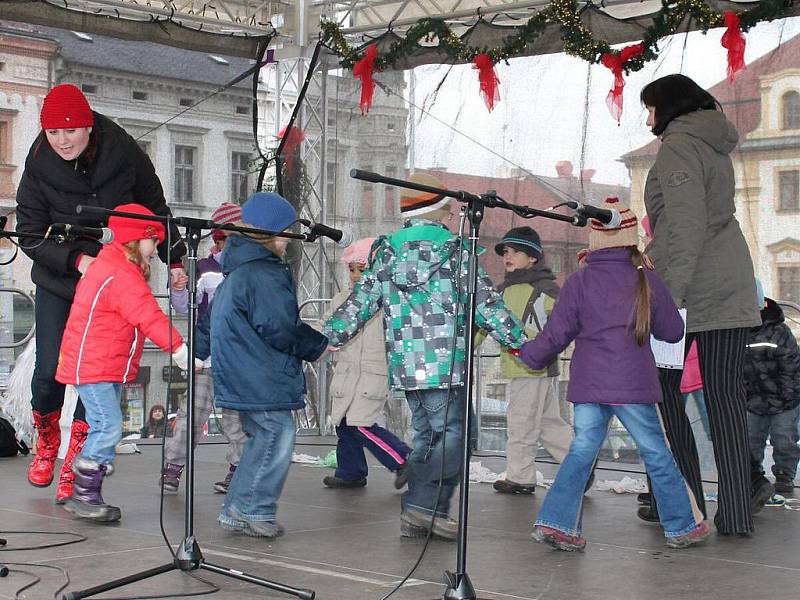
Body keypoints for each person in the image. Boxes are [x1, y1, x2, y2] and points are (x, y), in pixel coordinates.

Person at [323, 174, 526, 540]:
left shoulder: (385, 252)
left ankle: (420, 510)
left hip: (406, 367)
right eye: (449, 209)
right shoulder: (455, 252)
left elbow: (361, 302)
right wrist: (519, 341)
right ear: (441, 210)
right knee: (449, 439)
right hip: (445, 365)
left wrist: (330, 335)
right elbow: (485, 304)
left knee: (428, 437)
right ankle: (423, 508)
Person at [16, 83, 185, 503]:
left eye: (70, 131)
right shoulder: (38, 163)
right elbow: (30, 233)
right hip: (63, 278)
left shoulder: (123, 150)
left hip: (112, 281)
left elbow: (154, 206)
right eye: (53, 133)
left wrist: (175, 256)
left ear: (88, 126)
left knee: (101, 374)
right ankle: (47, 438)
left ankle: (77, 461)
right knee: (49, 370)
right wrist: (77, 260)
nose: (62, 141)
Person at [520, 197, 709, 552]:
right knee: (656, 453)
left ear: (595, 239)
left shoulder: (578, 282)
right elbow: (671, 332)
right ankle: (682, 526)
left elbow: (556, 335)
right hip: (632, 385)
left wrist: (530, 354)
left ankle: (558, 524)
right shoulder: (646, 280)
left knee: (581, 452)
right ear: (629, 238)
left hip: (589, 384)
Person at [640, 74, 763, 535]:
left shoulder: (678, 146)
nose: (647, 117)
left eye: (650, 106)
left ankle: (684, 506)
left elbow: (685, 225)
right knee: (727, 401)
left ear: (669, 106)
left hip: (693, 287)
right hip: (730, 279)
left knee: (666, 397)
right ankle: (736, 513)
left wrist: (671, 295)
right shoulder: (714, 139)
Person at [55, 204, 197, 522]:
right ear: (136, 238)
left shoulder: (116, 267)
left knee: (104, 425)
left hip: (101, 363)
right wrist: (178, 349)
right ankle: (84, 491)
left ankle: (88, 490)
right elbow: (147, 314)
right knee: (108, 426)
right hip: (94, 364)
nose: (156, 248)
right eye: (154, 241)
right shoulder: (119, 273)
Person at [212, 192, 332, 539]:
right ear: (273, 233)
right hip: (260, 374)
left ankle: (237, 509)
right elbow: (278, 326)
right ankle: (255, 508)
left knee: (260, 440)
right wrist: (317, 345)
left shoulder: (238, 269)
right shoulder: (264, 272)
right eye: (286, 233)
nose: (288, 241)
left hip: (243, 372)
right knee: (277, 436)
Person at [162, 202, 247, 494]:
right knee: (191, 415)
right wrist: (178, 288)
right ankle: (173, 467)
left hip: (237, 358)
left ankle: (238, 469)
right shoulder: (204, 267)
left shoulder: (248, 268)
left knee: (235, 420)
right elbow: (185, 305)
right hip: (206, 356)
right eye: (224, 238)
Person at [485, 227, 574, 496]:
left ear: (533, 257)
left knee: (521, 422)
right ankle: (580, 465)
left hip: (532, 367)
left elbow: (565, 323)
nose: (507, 257)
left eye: (515, 252)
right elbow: (485, 324)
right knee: (549, 422)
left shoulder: (545, 291)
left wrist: (540, 346)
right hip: (526, 367)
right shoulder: (503, 291)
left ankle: (520, 477)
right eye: (505, 252)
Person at [322, 237, 411, 490]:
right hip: (347, 372)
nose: (355, 276)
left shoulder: (387, 300)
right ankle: (350, 472)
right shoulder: (340, 299)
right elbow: (327, 328)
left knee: (361, 424)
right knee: (344, 424)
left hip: (373, 371)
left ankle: (403, 458)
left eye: (362, 270)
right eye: (351, 269)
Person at [744, 296, 800, 496]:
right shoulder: (739, 333)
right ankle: (753, 475)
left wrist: (786, 395)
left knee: (784, 437)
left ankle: (785, 474)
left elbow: (791, 366)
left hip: (784, 399)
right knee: (751, 439)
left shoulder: (779, 332)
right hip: (754, 400)